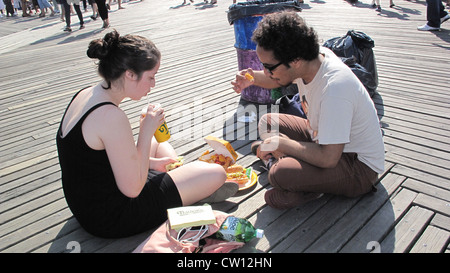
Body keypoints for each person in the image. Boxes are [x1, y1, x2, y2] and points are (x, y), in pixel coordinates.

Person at [56, 30, 236, 238]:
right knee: (215, 173)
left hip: (85, 203)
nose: (153, 84)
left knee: (160, 147)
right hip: (112, 216)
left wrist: (149, 160)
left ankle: (184, 185)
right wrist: (146, 130)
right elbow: (132, 190)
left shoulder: (86, 93)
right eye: (151, 77)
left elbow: (94, 161)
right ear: (130, 74)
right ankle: (190, 190)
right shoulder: (110, 116)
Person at [231, 12, 385, 210]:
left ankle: (277, 164)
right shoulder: (311, 57)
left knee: (280, 175)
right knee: (268, 121)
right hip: (322, 137)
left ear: (295, 60)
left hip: (357, 167)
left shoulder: (335, 89)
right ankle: (287, 165)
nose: (266, 71)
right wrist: (251, 78)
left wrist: (283, 144)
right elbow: (277, 77)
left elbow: (329, 158)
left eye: (269, 66)